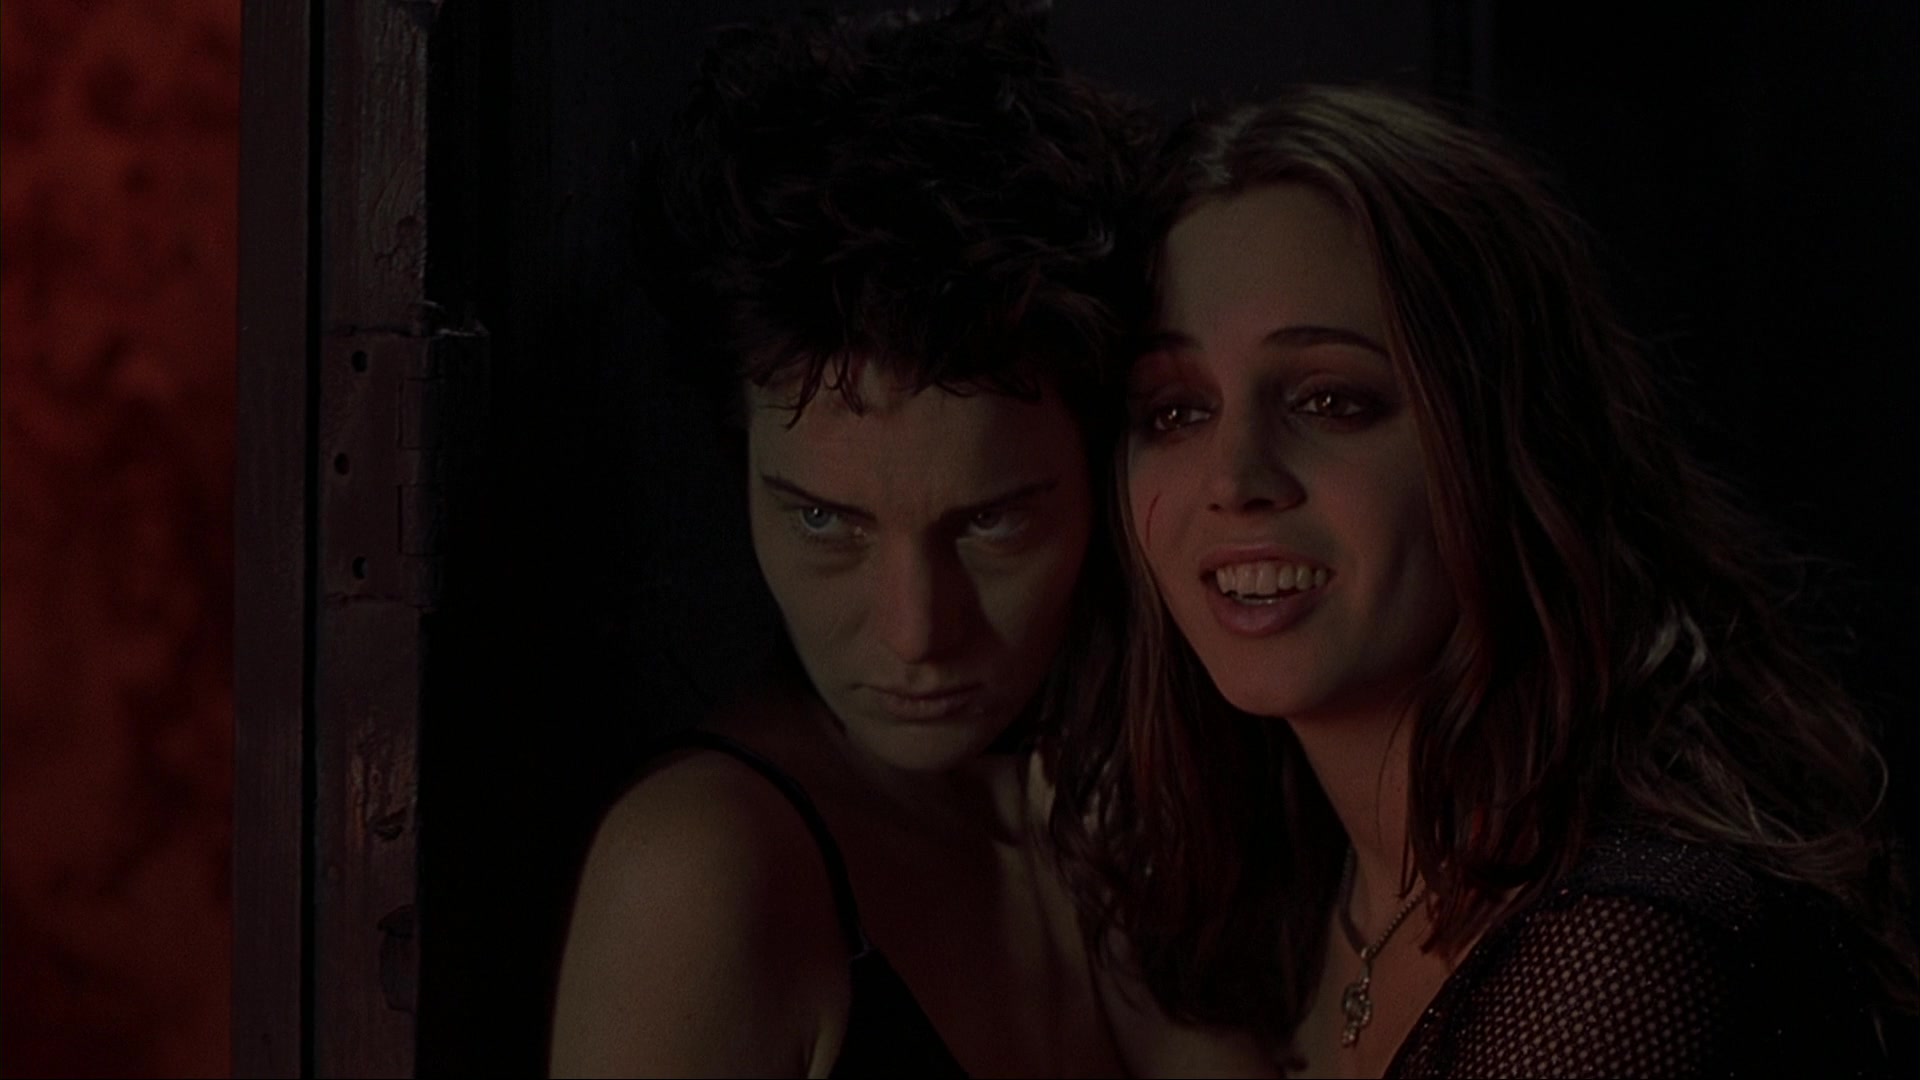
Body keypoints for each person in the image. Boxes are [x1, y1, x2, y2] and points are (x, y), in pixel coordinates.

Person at [1052, 85, 1918, 1078]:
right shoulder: (1280, 890)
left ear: (1503, 442)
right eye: (1173, 411)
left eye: (1332, 400)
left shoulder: (1623, 952)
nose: (1236, 477)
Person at [547, 3, 1167, 1076]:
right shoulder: (703, 872)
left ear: (1104, 474)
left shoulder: (1164, 818)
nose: (916, 633)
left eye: (991, 521)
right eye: (825, 521)